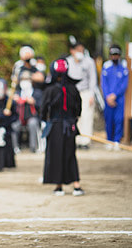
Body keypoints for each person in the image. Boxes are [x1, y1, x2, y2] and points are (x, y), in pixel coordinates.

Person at [40, 58, 84, 196]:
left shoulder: (50, 90)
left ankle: (58, 186)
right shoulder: (73, 89)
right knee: (70, 154)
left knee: (56, 155)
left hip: (55, 126)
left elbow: (43, 109)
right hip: (69, 126)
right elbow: (78, 108)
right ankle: (76, 185)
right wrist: (73, 120)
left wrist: (45, 120)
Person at [66, 42, 97, 149]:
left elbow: (93, 79)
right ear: (72, 50)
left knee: (86, 116)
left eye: (82, 50)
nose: (80, 52)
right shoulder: (68, 62)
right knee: (75, 116)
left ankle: (85, 141)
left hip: (85, 92)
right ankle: (76, 140)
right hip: (72, 93)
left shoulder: (89, 62)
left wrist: (92, 94)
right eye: (78, 50)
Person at [101, 44, 129, 150]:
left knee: (119, 119)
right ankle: (109, 140)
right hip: (108, 99)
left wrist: (115, 95)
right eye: (113, 55)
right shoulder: (106, 68)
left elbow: (124, 85)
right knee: (109, 120)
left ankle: (117, 140)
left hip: (119, 99)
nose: (114, 57)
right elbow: (104, 84)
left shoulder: (124, 69)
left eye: (116, 54)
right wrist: (108, 96)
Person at [11, 72, 43, 153]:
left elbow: (42, 106)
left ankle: (33, 147)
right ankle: (15, 148)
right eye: (23, 79)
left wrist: (34, 102)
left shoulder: (37, 93)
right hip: (19, 118)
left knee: (33, 124)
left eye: (26, 79)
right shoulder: (17, 93)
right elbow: (11, 108)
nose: (24, 82)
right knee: (14, 126)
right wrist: (14, 101)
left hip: (32, 117)